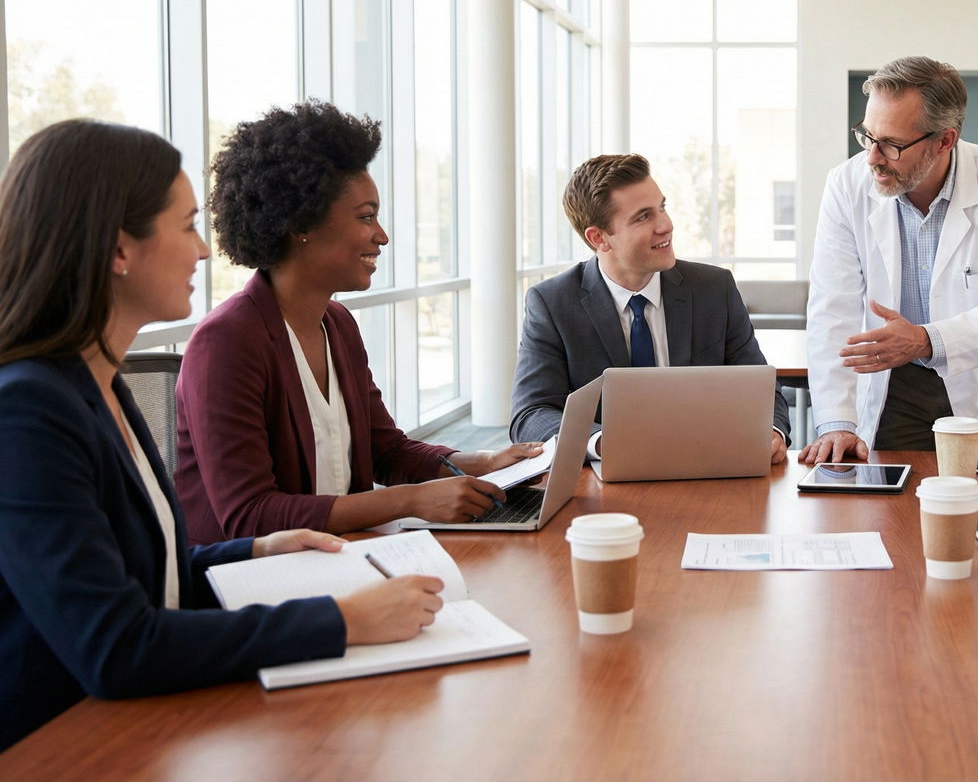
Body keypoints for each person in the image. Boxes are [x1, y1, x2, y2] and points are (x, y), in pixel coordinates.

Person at [0, 119, 444, 750]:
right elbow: (117, 644)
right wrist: (341, 621)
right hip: (61, 744)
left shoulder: (97, 386)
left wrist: (257, 552)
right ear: (117, 250)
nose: (205, 250)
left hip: (138, 721)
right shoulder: (27, 413)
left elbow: (147, 573)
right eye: (185, 227)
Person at [175, 101, 538, 543]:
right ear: (301, 224)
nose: (381, 235)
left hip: (339, 556)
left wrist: (480, 461)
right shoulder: (227, 342)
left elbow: (385, 449)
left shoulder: (337, 324)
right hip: (254, 585)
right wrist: (410, 501)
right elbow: (250, 517)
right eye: (366, 217)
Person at [801, 56, 978, 460]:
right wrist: (837, 422)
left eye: (892, 145)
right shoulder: (846, 186)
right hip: (892, 387)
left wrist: (923, 340)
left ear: (944, 140)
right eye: (867, 136)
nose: (873, 158)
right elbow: (833, 308)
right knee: (889, 512)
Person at [509, 153, 790, 462]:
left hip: (707, 467)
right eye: (643, 216)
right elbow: (530, 415)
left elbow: (761, 387)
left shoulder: (714, 289)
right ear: (599, 238)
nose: (666, 225)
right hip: (606, 481)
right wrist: (604, 442)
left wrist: (772, 431)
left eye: (662, 207)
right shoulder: (552, 303)